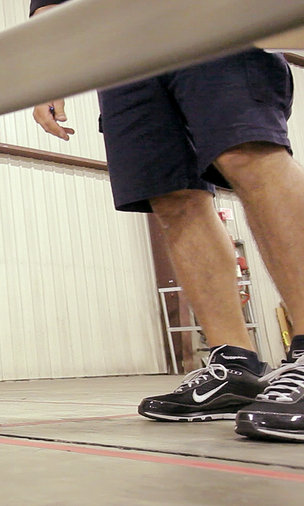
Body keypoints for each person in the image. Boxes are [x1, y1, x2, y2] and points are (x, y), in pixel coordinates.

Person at [29, 1, 304, 442]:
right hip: (120, 52)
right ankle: (234, 365)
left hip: (203, 13)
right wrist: (52, 72)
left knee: (247, 152)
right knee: (172, 195)